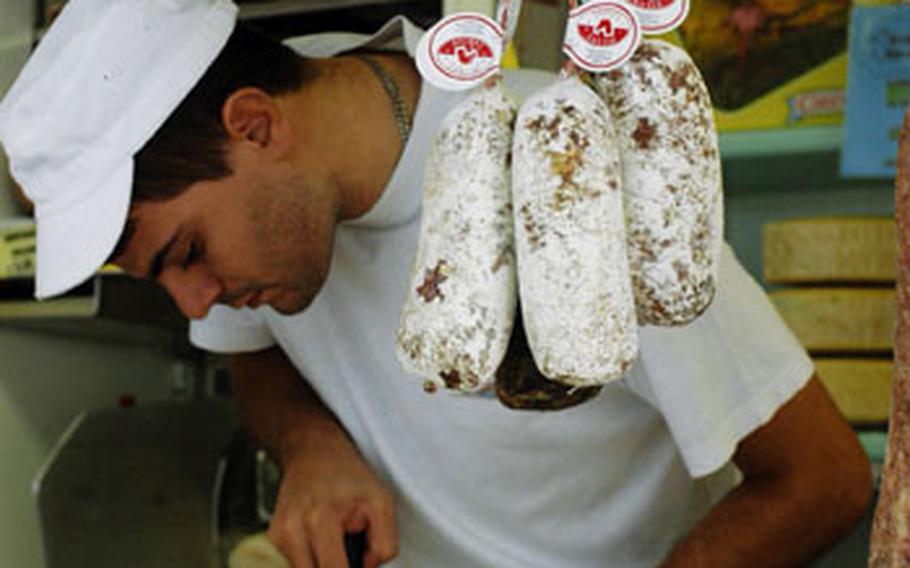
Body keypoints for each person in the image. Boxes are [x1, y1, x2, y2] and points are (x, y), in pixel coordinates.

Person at [0, 1, 873, 567]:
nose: (195, 303)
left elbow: (822, 478)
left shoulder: (568, 177)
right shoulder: (295, 138)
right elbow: (250, 362)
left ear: (255, 125)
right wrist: (312, 449)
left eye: (186, 253)